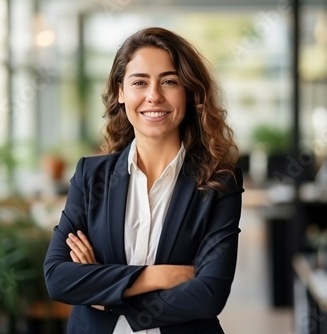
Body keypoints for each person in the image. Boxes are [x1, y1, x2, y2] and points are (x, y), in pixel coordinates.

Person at [44, 26, 244, 334]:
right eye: (140, 82)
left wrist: (102, 291)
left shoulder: (218, 181)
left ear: (188, 93)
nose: (154, 96)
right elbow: (58, 277)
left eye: (169, 81)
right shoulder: (90, 176)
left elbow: (208, 294)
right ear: (121, 92)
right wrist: (160, 276)